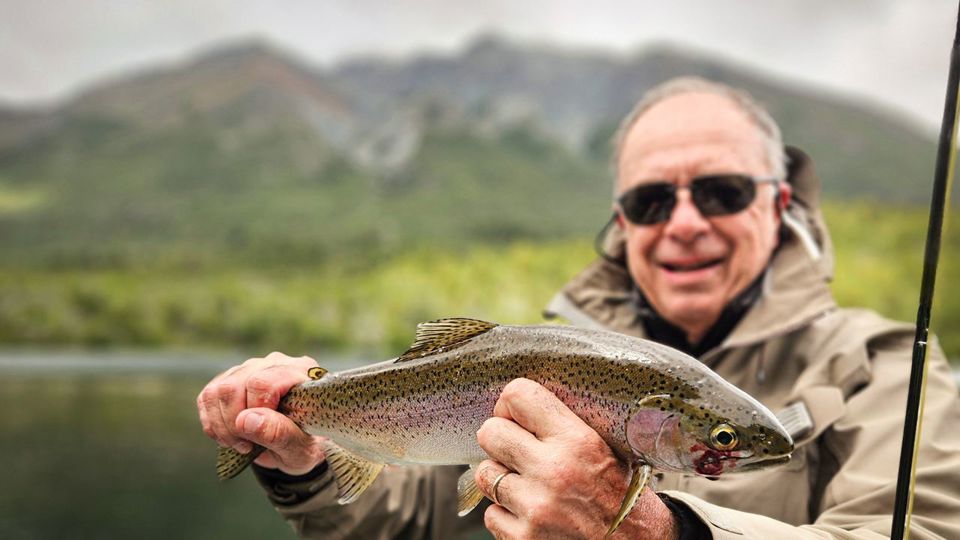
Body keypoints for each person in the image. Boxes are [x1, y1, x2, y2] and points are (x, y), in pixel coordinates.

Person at [197, 77, 960, 539]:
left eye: (722, 192)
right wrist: (305, 464)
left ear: (781, 204)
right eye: (653, 199)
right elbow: (411, 523)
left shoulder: (886, 368)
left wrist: (664, 535)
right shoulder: (553, 355)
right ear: (623, 222)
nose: (686, 221)